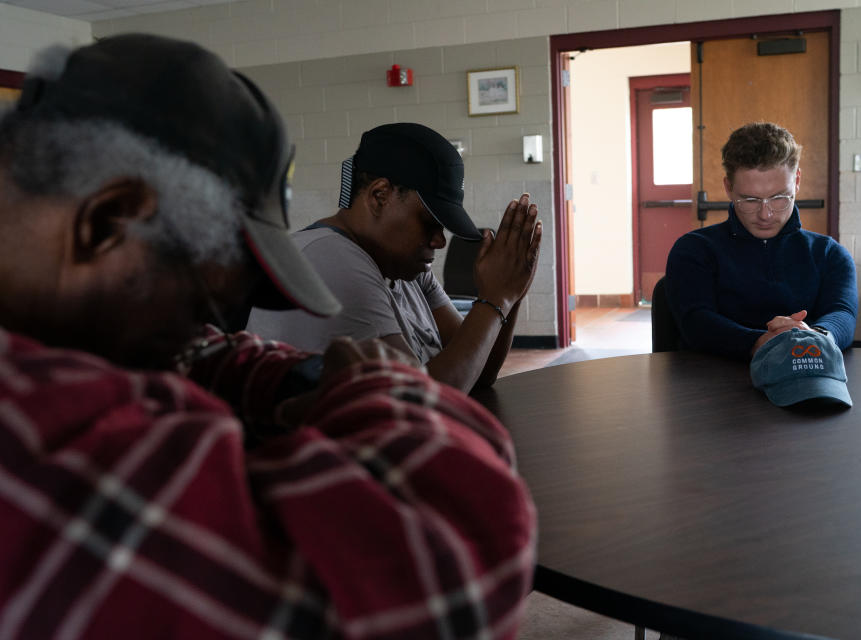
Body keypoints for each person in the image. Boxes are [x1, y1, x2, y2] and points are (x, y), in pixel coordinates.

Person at [0, 35, 535, 639]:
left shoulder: (55, 318)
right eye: (203, 303)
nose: (211, 327)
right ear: (107, 224)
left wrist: (307, 378)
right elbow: (455, 578)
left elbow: (198, 353)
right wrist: (369, 384)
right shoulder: (31, 431)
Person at [246, 123, 542, 392]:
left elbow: (479, 370)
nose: (439, 241)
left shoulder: (403, 267)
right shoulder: (329, 259)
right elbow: (423, 400)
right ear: (380, 196)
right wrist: (495, 299)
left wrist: (512, 290)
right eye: (429, 222)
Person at [665, 121, 857, 360]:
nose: (765, 215)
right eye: (750, 200)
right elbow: (695, 320)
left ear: (796, 181)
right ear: (728, 187)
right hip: (713, 382)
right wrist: (760, 342)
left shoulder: (830, 254)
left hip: (805, 369)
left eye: (779, 198)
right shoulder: (694, 250)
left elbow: (842, 314)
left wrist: (816, 338)